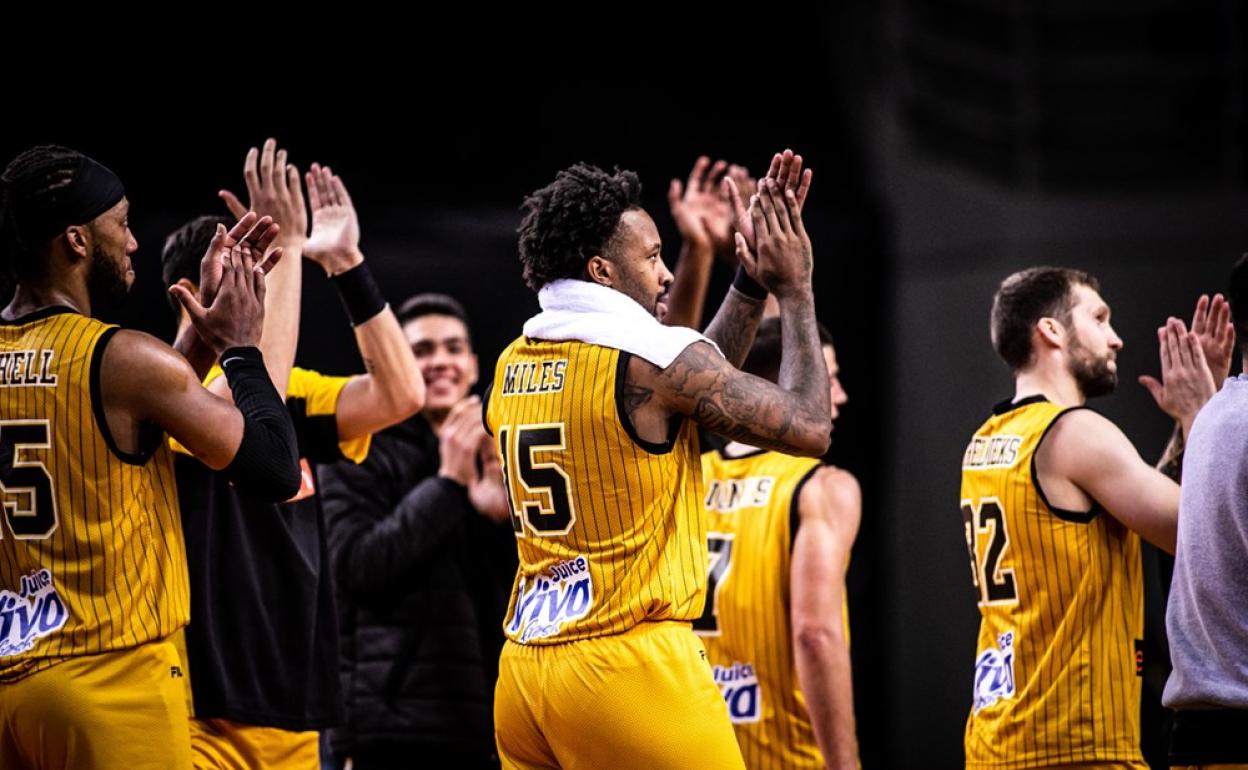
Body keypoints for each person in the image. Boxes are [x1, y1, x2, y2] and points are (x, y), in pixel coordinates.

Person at [485, 150, 831, 768]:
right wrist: (795, 288)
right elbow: (809, 426)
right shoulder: (647, 361)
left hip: (525, 679)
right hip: (627, 670)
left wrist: (748, 285)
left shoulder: (515, 359)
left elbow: (685, 386)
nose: (667, 273)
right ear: (602, 271)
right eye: (651, 257)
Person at [0, 144, 301, 769]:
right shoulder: (122, 357)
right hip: (110, 677)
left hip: (13, 682)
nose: (134, 243)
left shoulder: (100, 365)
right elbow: (273, 467)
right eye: (123, 224)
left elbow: (131, 420)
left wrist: (197, 339)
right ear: (78, 241)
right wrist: (240, 348)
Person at [161, 141, 423, 768]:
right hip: (204, 702)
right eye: (246, 268)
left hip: (295, 697)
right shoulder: (170, 391)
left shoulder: (295, 391)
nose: (259, 282)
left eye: (264, 267)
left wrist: (345, 262)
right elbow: (257, 392)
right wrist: (293, 248)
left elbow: (401, 393)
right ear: (190, 297)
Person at [960, 266, 1224, 769]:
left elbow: (1131, 502)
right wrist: (1203, 415)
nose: (1116, 339)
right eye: (1099, 318)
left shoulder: (988, 439)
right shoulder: (1076, 432)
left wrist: (1184, 428)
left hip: (998, 739)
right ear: (1052, 330)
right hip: (1074, 741)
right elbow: (1197, 533)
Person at [320, 293, 515, 769]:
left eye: (453, 349)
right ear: (395, 364)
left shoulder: (501, 454)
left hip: (488, 728)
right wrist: (447, 484)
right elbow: (354, 568)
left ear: (472, 365)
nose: (440, 362)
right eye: (422, 351)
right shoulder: (357, 445)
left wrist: (503, 522)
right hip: (387, 731)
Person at [696, 317, 860, 769]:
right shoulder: (818, 486)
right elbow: (815, 634)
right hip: (783, 752)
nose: (841, 396)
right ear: (789, 385)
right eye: (828, 380)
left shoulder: (688, 479)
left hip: (693, 742)